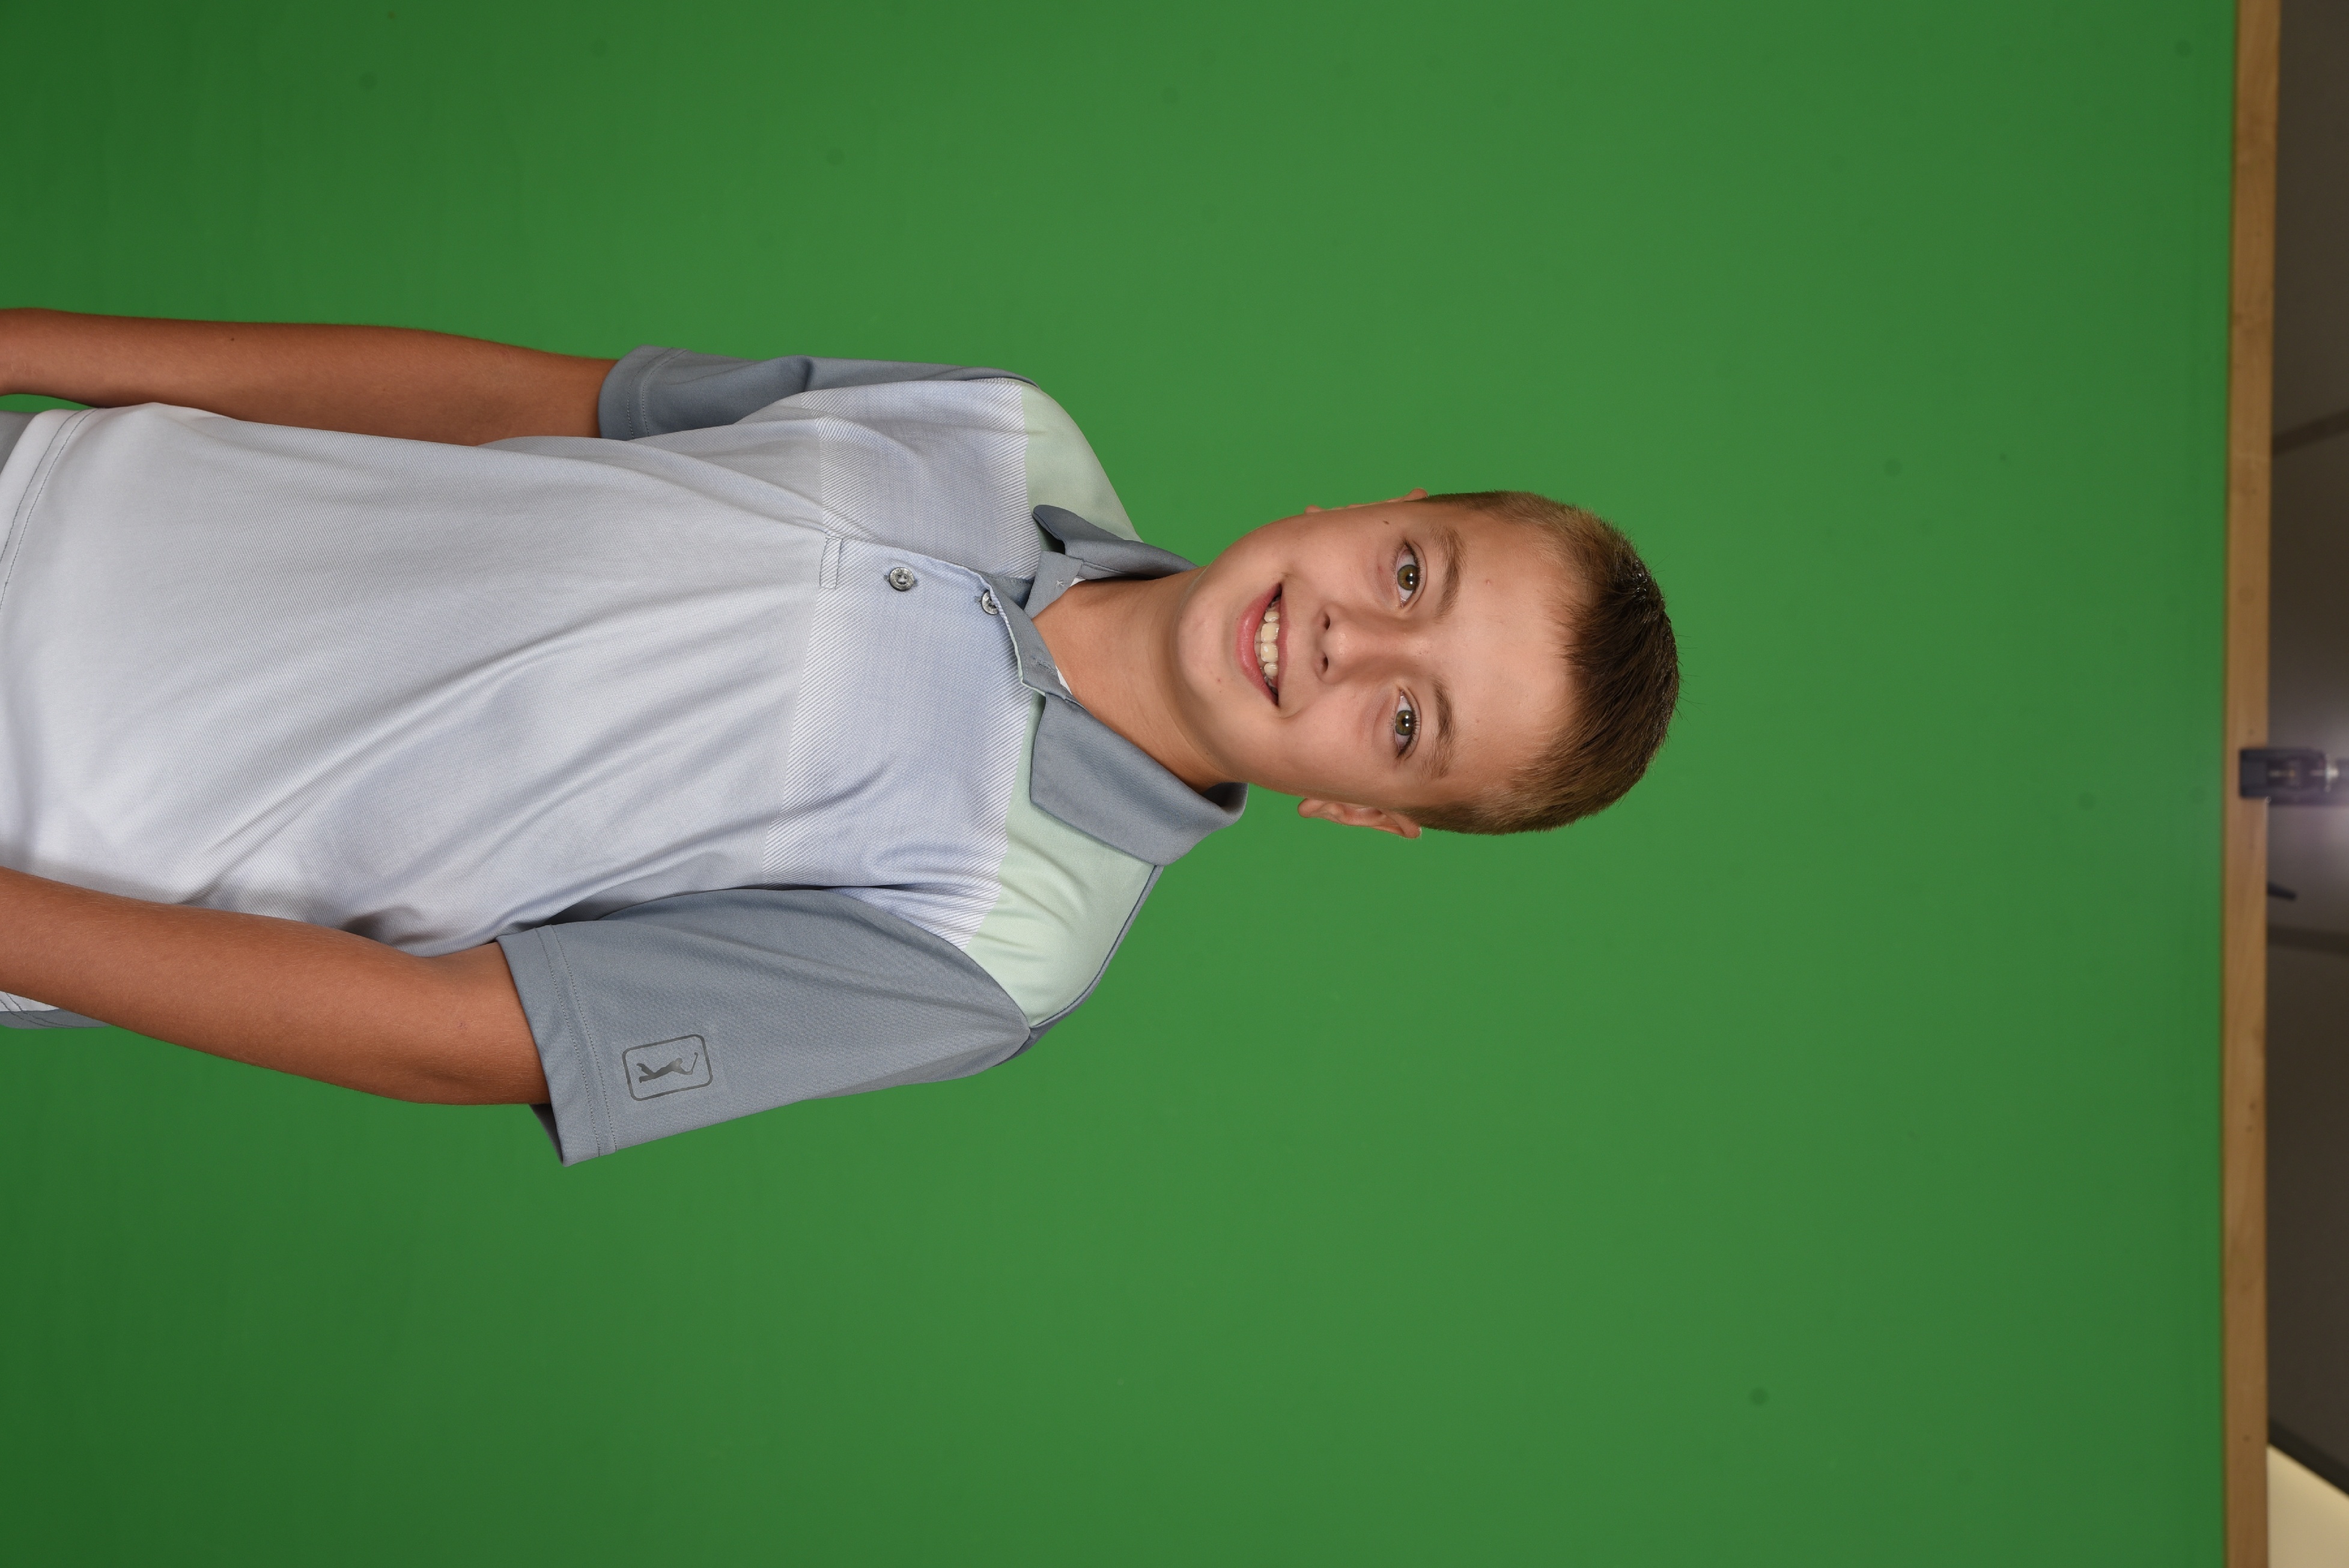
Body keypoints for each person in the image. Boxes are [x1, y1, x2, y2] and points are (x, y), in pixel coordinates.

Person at [0, 309, 1679, 1162]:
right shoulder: (1003, 426)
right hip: (53, 486)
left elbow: (448, 1035)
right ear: (1377, 503)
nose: (1346, 641)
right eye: (1412, 574)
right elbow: (506, 402)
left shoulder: (1003, 946)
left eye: (1408, 718)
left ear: (1370, 813)